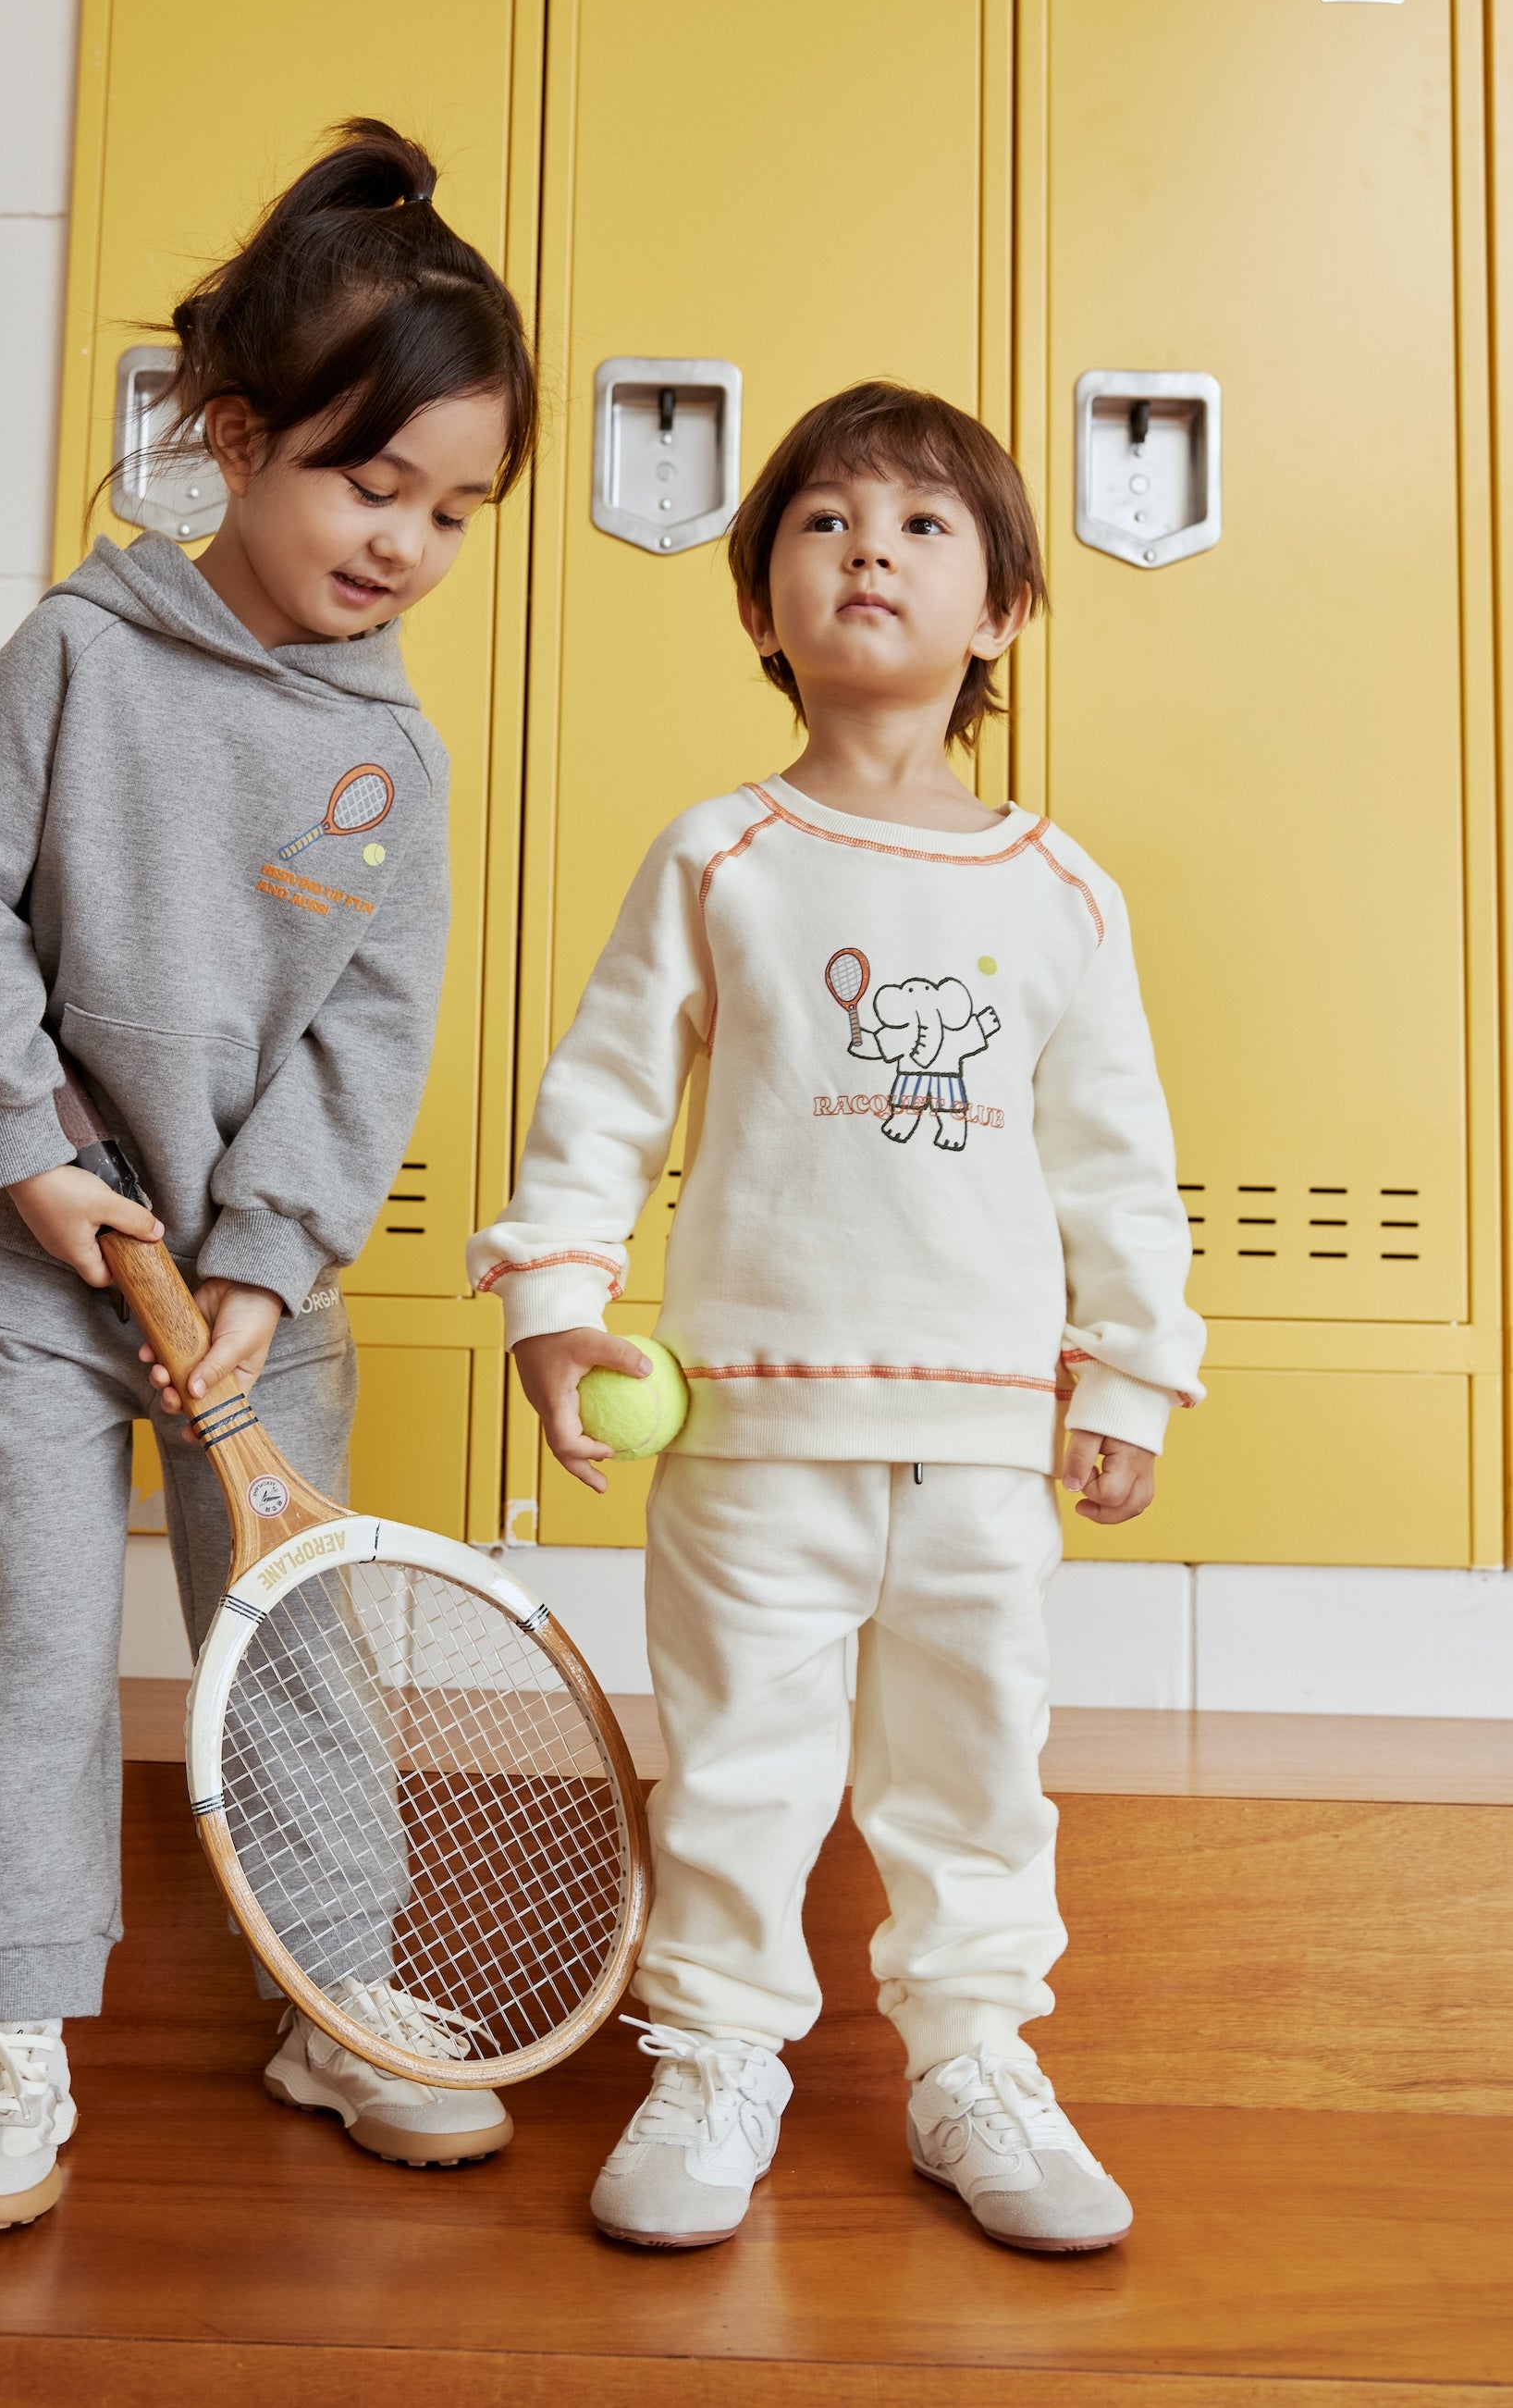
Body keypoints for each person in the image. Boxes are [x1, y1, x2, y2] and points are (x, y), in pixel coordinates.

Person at [468, 379, 1204, 2253]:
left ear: (1003, 614)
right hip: (747, 1432)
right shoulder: (720, 854)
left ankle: (973, 2061)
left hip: (978, 1446)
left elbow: (1116, 1156)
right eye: (822, 521)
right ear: (757, 606)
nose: (867, 546)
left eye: (922, 524)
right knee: (740, 1770)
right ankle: (715, 2051)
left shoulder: (1060, 893)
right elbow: (605, 1099)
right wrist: (560, 1301)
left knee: (973, 1771)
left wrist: (1130, 1362)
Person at [0, 119, 535, 2230]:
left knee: (292, 1628)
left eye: (457, 509)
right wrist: (25, 1161)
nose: (408, 541)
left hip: (254, 1303)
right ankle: (4, 2035)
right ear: (235, 438)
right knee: (39, 1626)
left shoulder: (398, 753)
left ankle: (337, 1990)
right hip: (27, 1270)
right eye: (372, 482)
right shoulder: (72, 658)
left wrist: (264, 1263)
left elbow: (368, 1032)